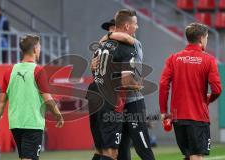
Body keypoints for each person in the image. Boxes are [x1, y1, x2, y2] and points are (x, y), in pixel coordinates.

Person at [88, 9, 155, 160]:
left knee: (114, 148)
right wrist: (138, 84)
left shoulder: (102, 46)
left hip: (105, 97)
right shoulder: (129, 45)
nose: (111, 31)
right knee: (115, 151)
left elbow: (96, 71)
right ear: (125, 27)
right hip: (122, 100)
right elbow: (128, 81)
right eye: (135, 24)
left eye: (112, 28)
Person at [0, 34, 64, 160]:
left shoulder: (9, 71)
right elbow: (48, 99)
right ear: (34, 49)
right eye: (39, 47)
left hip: (15, 124)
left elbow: (1, 103)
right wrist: (58, 115)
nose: (39, 50)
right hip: (32, 124)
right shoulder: (38, 71)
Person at [159, 23, 222, 160]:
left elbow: (163, 84)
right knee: (196, 156)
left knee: (188, 155)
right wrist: (208, 99)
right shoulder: (209, 60)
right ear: (201, 39)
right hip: (198, 117)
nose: (206, 40)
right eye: (206, 37)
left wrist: (164, 111)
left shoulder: (173, 58)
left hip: (177, 117)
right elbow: (217, 89)